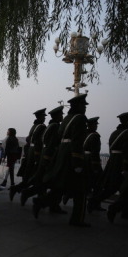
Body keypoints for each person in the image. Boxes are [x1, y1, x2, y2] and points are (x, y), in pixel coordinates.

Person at [33, 94, 90, 227]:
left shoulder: (67, 119)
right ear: (78, 106)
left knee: (62, 186)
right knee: (80, 190)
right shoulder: (80, 119)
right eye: (83, 105)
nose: (85, 107)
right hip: (72, 156)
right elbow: (77, 141)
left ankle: (41, 202)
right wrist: (77, 163)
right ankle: (77, 219)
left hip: (63, 155)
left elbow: (58, 138)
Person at [20, 106, 66, 214]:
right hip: (49, 156)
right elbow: (50, 143)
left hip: (45, 155)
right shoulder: (54, 127)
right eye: (60, 115)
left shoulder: (49, 126)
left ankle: (46, 202)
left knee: (43, 180)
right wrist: (46, 158)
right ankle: (38, 199)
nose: (62, 116)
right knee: (49, 181)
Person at [87, 112, 128, 213]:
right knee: (120, 187)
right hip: (121, 163)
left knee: (110, 186)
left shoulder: (114, 133)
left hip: (112, 162)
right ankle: (121, 210)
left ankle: (95, 201)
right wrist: (126, 166)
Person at [9, 108, 46, 201]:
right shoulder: (41, 127)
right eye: (43, 116)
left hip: (30, 152)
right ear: (40, 117)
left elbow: (29, 139)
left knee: (31, 176)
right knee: (38, 176)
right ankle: (38, 197)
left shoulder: (34, 126)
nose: (44, 118)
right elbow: (38, 141)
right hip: (36, 153)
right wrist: (37, 155)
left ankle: (17, 189)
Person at [83, 117, 103, 201]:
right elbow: (95, 152)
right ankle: (95, 202)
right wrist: (96, 166)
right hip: (92, 161)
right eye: (95, 124)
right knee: (99, 182)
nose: (96, 126)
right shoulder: (95, 136)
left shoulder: (84, 134)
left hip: (84, 159)